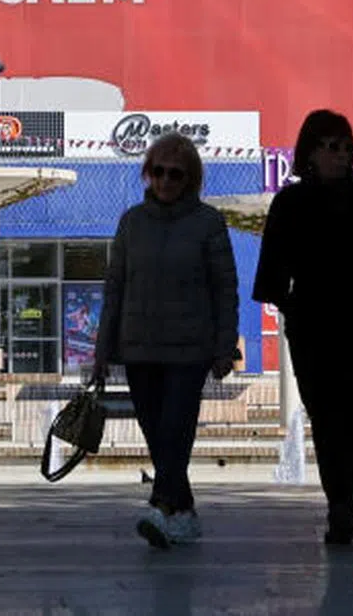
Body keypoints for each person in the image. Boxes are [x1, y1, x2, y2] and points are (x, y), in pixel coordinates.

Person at [252, 109, 353, 544]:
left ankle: (344, 501)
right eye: (333, 146)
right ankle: (337, 496)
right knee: (324, 417)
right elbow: (272, 272)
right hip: (313, 327)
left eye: (348, 147)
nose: (342, 155)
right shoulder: (290, 202)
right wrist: (292, 305)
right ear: (311, 152)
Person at [93, 133, 239, 549]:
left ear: (190, 179)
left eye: (175, 174)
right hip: (139, 348)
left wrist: (224, 346)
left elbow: (224, 288)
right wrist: (103, 350)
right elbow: (115, 288)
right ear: (147, 174)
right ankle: (185, 511)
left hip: (189, 350)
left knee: (176, 428)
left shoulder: (208, 223)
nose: (165, 181)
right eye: (158, 172)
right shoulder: (132, 222)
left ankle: (160, 504)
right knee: (157, 433)